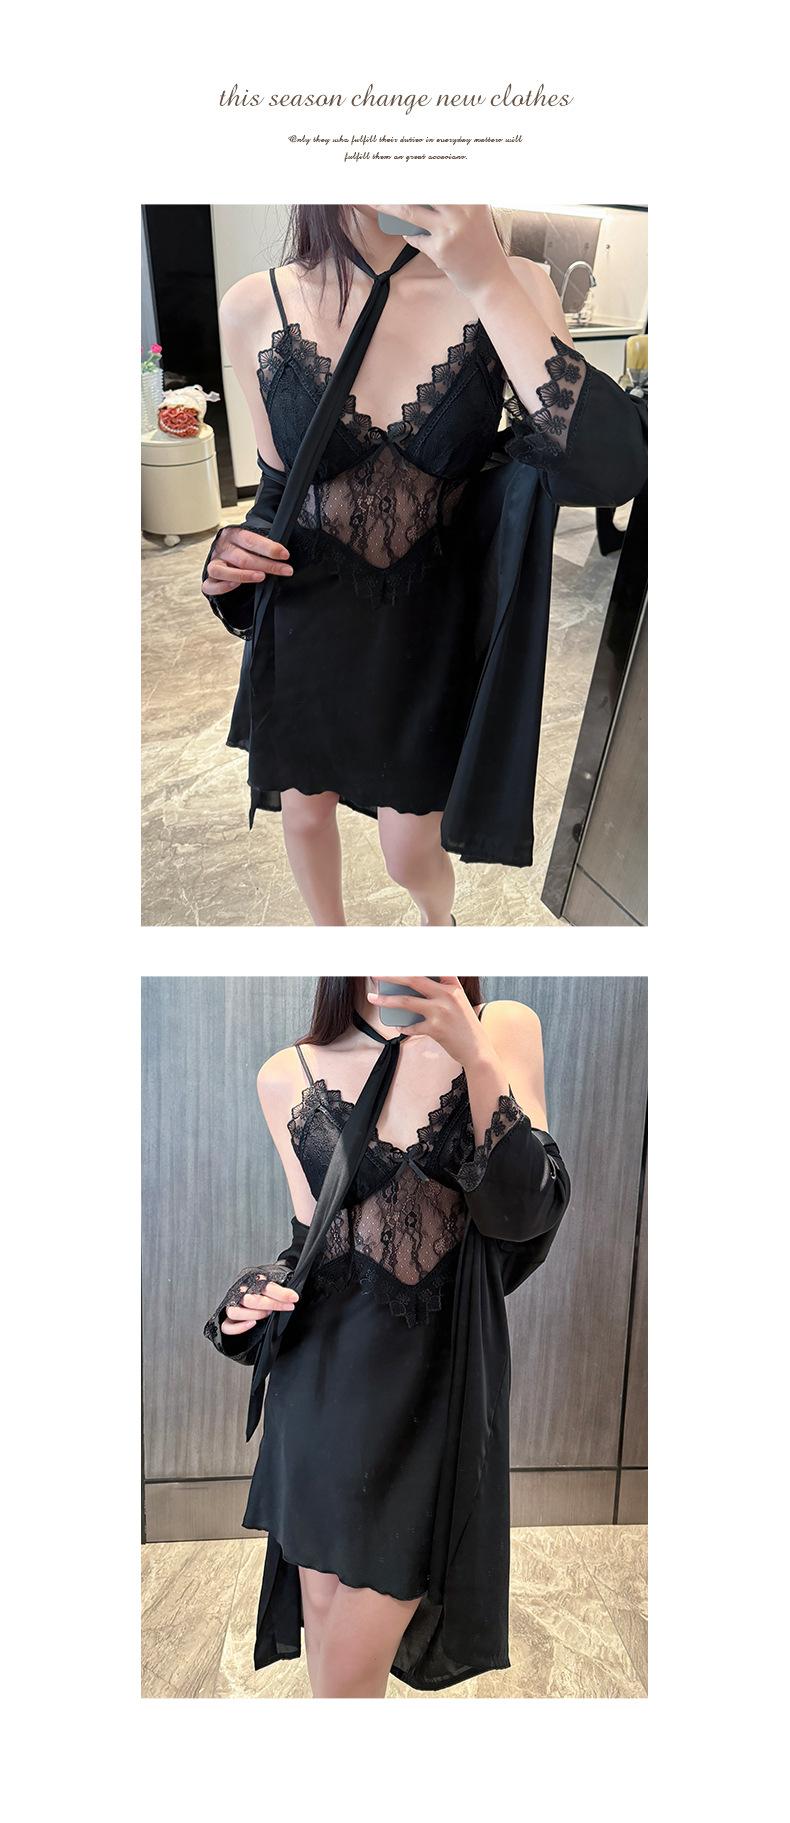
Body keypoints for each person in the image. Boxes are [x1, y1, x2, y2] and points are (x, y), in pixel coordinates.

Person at [201, 205, 648, 925]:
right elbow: (279, 489)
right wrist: (227, 553)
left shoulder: (513, 285)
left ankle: (438, 931)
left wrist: (486, 278)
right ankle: (335, 956)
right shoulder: (257, 303)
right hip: (308, 615)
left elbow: (607, 471)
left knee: (409, 849)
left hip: (428, 630)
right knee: (304, 813)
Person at [204, 975, 572, 1696]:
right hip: (317, 1395)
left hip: (432, 1405)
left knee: (348, 1672)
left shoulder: (502, 1028)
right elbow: (313, 1247)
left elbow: (526, 1214)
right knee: (326, 1632)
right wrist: (252, 1295)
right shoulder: (286, 1073)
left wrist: (474, 1054)